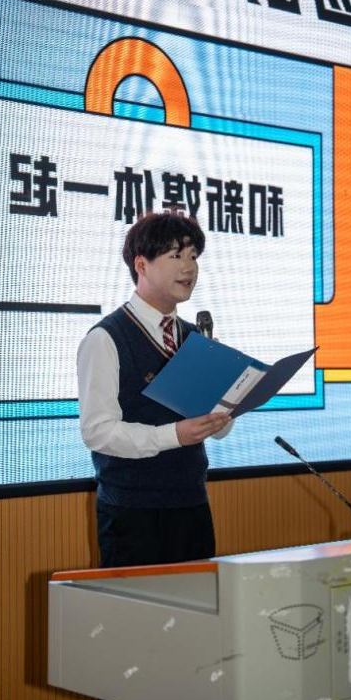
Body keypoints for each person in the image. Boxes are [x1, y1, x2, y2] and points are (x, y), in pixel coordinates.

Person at [77, 211, 233, 571]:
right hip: (132, 514)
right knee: (137, 609)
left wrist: (224, 412)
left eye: (193, 256)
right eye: (175, 255)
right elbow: (97, 432)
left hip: (192, 505)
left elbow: (219, 428)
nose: (188, 267)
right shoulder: (106, 338)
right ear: (141, 265)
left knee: (199, 605)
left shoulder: (195, 336)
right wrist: (175, 435)